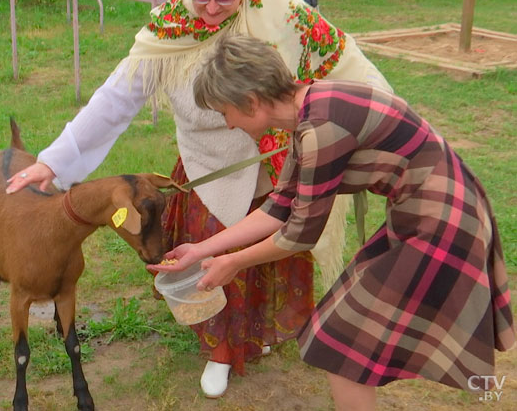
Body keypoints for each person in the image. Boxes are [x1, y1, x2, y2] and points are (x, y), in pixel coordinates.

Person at [5, 0, 392, 398]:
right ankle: (221, 350)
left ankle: (259, 332)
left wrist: (395, 126)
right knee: (210, 255)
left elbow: (349, 66)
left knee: (266, 248)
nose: (210, 9)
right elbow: (115, 99)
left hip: (269, 158)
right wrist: (54, 161)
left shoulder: (283, 13)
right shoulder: (170, 26)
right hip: (205, 164)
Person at [148, 33, 516, 410]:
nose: (227, 124)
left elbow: (298, 236)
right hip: (427, 212)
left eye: (225, 112)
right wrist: (203, 249)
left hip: (441, 222)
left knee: (342, 343)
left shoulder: (320, 127)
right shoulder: (310, 109)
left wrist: (231, 263)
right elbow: (280, 205)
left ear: (252, 102)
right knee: (345, 341)